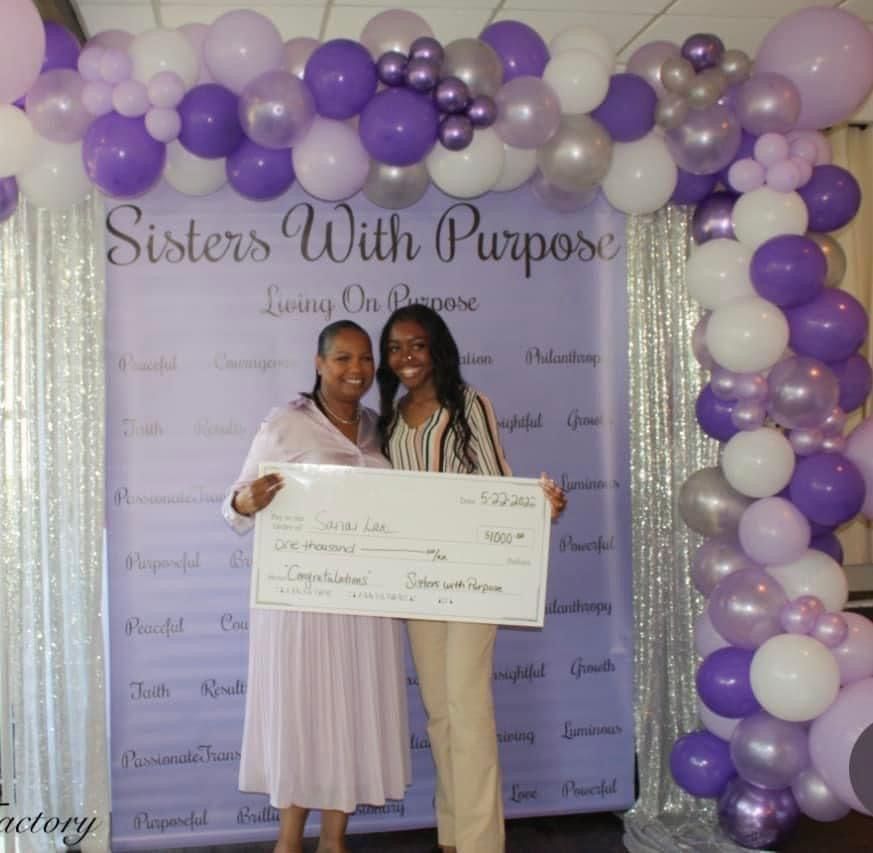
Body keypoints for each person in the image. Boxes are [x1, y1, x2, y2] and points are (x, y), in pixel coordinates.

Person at [376, 305, 567, 853]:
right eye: (395, 347)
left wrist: (540, 507)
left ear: (438, 349)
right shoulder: (389, 417)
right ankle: (453, 834)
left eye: (416, 345)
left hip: (471, 576)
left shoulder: (468, 405)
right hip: (416, 579)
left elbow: (499, 481)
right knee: (440, 711)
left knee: (468, 706)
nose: (406, 357)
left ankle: (482, 843)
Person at [223, 320, 410, 853]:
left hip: (364, 603)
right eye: (343, 359)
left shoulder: (381, 428)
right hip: (300, 603)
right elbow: (235, 500)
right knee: (302, 712)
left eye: (365, 359)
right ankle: (287, 841)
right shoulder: (286, 423)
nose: (357, 370)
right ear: (320, 364)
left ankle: (333, 840)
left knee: (349, 712)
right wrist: (247, 500)